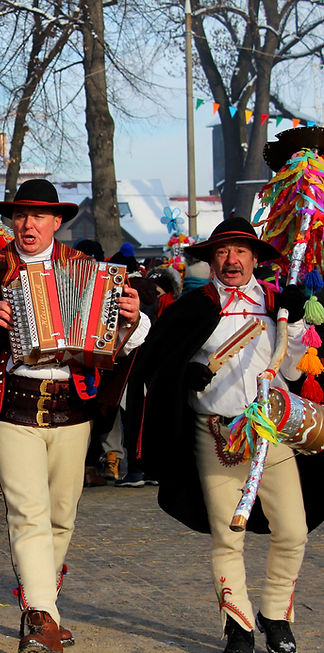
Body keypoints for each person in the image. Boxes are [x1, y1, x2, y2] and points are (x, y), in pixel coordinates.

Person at [0, 179, 148, 653]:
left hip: (71, 409)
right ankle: (38, 617)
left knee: (61, 516)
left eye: (38, 216)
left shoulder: (88, 270)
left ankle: (46, 613)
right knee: (28, 514)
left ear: (58, 222)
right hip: (13, 406)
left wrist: (133, 320)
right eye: (20, 215)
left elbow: (115, 343)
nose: (27, 224)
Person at [125, 217, 324, 653]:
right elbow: (161, 364)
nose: (231, 260)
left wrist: (292, 330)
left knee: (293, 530)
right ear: (211, 259)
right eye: (222, 252)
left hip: (269, 435)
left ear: (255, 259)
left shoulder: (276, 304)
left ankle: (276, 616)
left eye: (240, 252)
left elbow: (292, 372)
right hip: (214, 434)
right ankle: (238, 625)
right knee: (226, 534)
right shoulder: (193, 309)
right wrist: (187, 375)